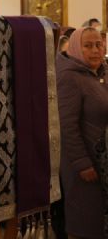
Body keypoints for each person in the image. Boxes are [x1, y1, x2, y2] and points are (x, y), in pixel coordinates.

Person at [56, 27, 108, 238]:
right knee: (85, 221)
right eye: (88, 46)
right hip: (85, 163)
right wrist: (82, 163)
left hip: (103, 160)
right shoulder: (69, 77)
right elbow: (66, 125)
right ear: (77, 48)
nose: (95, 50)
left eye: (99, 44)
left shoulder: (102, 72)